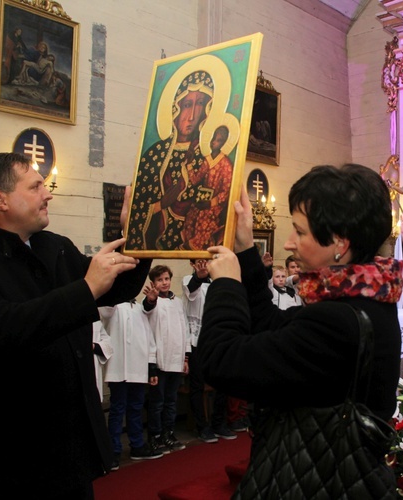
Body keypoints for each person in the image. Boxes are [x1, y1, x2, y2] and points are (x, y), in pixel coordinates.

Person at [0, 152, 150, 499]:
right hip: (14, 458)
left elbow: (118, 287)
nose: (48, 194)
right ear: (0, 200)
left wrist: (138, 233)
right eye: (35, 186)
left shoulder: (54, 247)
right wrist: (86, 288)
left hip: (71, 448)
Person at [200, 164, 403, 495]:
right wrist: (246, 248)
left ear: (340, 241)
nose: (290, 243)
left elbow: (220, 360)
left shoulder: (336, 321)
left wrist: (225, 285)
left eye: (300, 231)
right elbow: (271, 325)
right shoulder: (365, 299)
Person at [129, 71, 213, 251]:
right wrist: (161, 204)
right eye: (187, 105)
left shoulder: (206, 155)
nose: (192, 116)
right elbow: (138, 213)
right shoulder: (155, 155)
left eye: (199, 104)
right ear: (175, 108)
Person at [99, 301, 163, 471]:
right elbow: (104, 313)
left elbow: (149, 340)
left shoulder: (140, 308)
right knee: (117, 409)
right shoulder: (113, 306)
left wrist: (151, 369)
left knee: (136, 408)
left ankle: (137, 445)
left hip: (138, 367)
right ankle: (113, 450)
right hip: (118, 367)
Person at [182, 259, 236, 443]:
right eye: (200, 262)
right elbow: (190, 293)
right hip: (196, 341)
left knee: (223, 383)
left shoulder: (217, 283)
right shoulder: (187, 280)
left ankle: (218, 423)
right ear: (192, 264)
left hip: (216, 339)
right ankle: (202, 427)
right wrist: (199, 277)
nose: (204, 264)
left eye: (207, 261)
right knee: (197, 386)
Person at [143, 265, 190, 454]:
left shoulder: (177, 302)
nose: (164, 282)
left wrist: (185, 357)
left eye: (166, 279)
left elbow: (184, 329)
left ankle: (168, 433)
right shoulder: (152, 301)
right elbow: (147, 311)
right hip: (159, 361)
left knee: (171, 401)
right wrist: (151, 366)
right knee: (157, 402)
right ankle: (154, 436)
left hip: (176, 360)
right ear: (153, 283)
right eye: (160, 280)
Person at [182, 125, 234, 249]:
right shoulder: (207, 160)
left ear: (223, 143)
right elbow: (195, 180)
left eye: (218, 140)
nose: (213, 142)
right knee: (191, 214)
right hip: (203, 199)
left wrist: (210, 203)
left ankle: (198, 248)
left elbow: (225, 192)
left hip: (215, 205)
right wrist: (189, 164)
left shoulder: (226, 164)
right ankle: (189, 247)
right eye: (213, 138)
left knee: (204, 217)